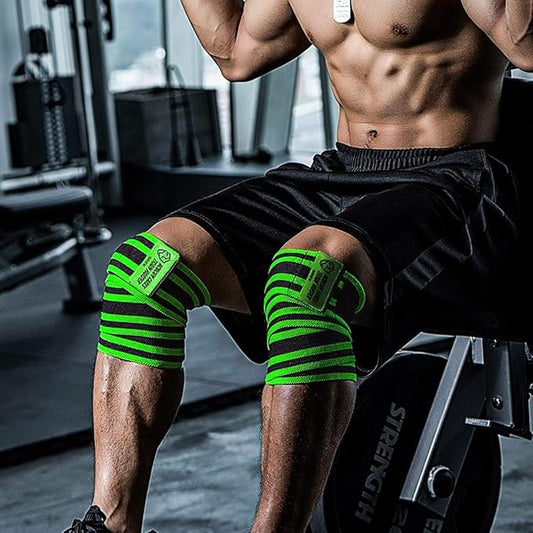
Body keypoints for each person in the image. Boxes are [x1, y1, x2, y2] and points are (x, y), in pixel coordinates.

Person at [64, 1, 533, 532]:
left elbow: (525, 46)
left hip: (457, 177)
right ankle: (111, 523)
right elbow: (238, 54)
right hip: (343, 171)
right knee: (146, 271)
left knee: (307, 283)